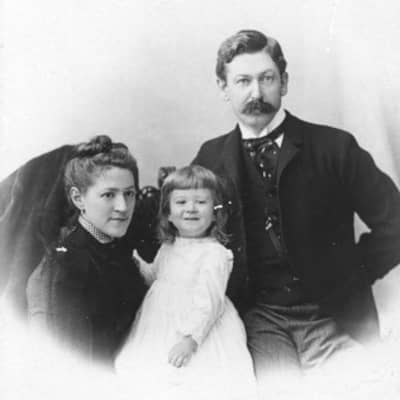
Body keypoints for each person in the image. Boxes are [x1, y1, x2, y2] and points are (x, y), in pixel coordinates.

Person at [192, 29, 400, 386]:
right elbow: (190, 238)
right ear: (223, 87)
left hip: (335, 316)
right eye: (242, 81)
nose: (256, 94)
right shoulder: (210, 158)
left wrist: (353, 272)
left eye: (266, 78)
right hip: (258, 321)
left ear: (284, 82)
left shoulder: (334, 147)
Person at [115, 165, 257, 400]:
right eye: (181, 202)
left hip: (198, 327)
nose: (191, 208)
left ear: (215, 212)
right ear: (168, 213)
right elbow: (156, 278)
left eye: (201, 202)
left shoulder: (215, 253)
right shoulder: (168, 246)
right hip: (160, 321)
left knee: (197, 380)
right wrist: (136, 262)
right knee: (153, 376)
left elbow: (209, 302)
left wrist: (191, 339)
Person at [26, 135, 148, 366]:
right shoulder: (67, 265)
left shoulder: (114, 246)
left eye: (129, 193)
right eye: (108, 195)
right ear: (78, 198)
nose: (123, 207)